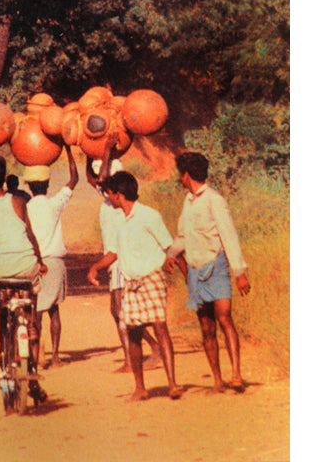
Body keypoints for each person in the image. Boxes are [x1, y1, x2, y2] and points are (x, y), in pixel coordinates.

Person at [88, 170, 184, 401]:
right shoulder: (118, 221)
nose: (109, 198)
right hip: (130, 283)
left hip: (151, 278)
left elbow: (169, 246)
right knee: (133, 335)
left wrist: (185, 274)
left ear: (119, 195)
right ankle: (140, 388)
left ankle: (172, 384)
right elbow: (113, 253)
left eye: (110, 194)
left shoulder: (149, 216)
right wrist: (95, 267)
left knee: (161, 329)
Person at [165, 151, 251, 394]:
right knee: (206, 327)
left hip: (217, 266)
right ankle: (217, 381)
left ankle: (236, 375)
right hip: (195, 270)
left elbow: (229, 236)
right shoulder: (188, 202)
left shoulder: (215, 200)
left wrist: (239, 272)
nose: (179, 178)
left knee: (224, 318)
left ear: (187, 175)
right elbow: (183, 236)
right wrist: (171, 254)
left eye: (180, 174)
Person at [0, 153, 47, 394]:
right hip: (26, 263)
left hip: (0, 266)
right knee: (31, 305)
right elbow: (30, 234)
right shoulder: (19, 201)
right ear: (5, 177)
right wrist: (40, 261)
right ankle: (31, 332)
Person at [86, 148, 162, 373]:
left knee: (121, 310)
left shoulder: (118, 205)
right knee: (118, 311)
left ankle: (135, 357)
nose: (101, 185)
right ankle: (144, 350)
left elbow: (100, 179)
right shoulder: (109, 201)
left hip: (121, 261)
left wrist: (107, 151)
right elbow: (93, 179)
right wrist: (87, 152)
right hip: (115, 262)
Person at [24, 143, 78, 368]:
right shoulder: (55, 204)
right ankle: (55, 357)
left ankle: (35, 356)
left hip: (34, 263)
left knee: (35, 311)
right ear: (47, 185)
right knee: (54, 310)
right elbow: (74, 178)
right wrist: (68, 150)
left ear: (29, 186)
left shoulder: (24, 208)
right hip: (54, 264)